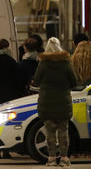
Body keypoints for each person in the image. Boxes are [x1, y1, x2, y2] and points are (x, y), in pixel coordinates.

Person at [33, 37, 79, 167]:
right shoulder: (66, 62)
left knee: (49, 131)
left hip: (46, 101)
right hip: (63, 100)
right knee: (63, 130)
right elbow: (74, 81)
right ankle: (64, 158)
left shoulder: (43, 63)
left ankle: (52, 158)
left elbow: (36, 80)